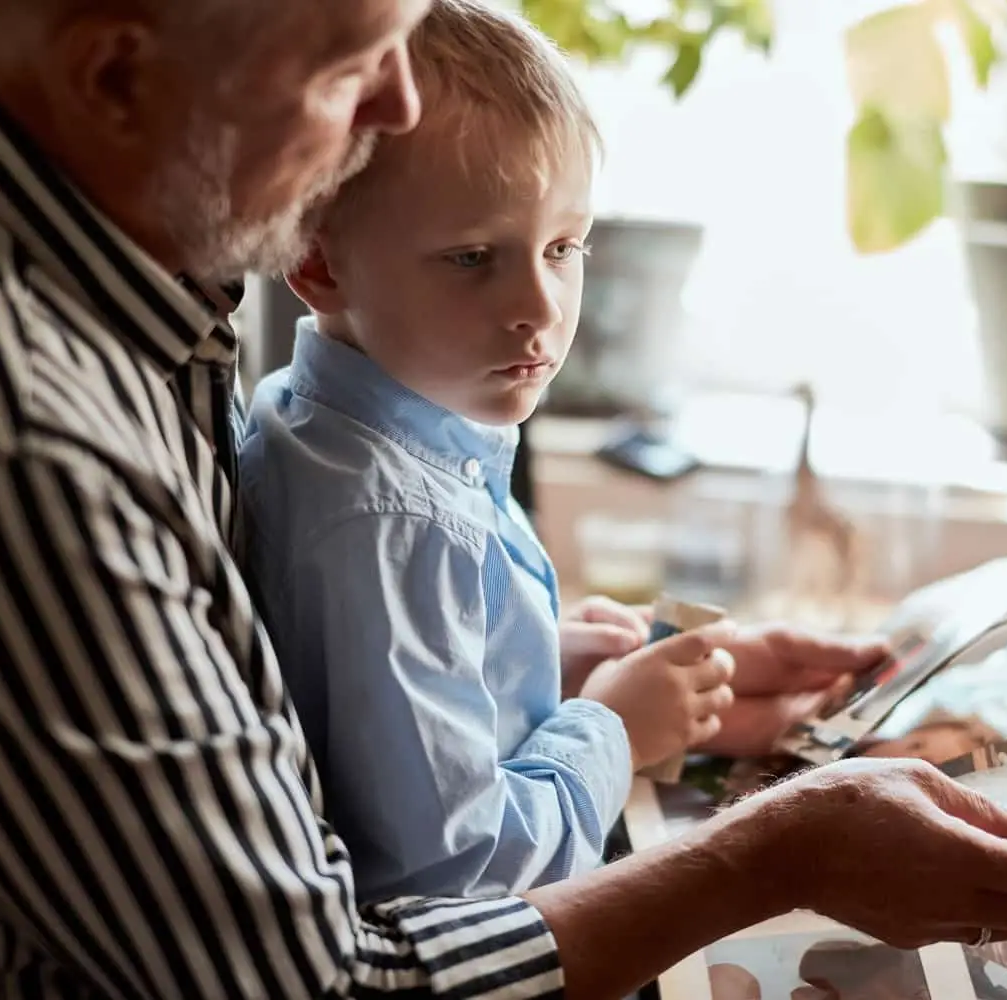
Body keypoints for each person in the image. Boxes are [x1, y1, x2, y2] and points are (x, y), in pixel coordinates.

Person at [0, 0, 1007, 998]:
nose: (398, 111)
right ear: (114, 76)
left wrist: (531, 661)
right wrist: (765, 853)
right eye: (353, 68)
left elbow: (276, 688)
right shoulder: (12, 450)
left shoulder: (144, 291)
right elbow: (322, 981)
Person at [240, 0, 740, 902]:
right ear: (317, 263)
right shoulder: (390, 519)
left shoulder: (326, 419)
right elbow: (457, 868)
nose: (542, 308)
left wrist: (537, 660)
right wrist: (609, 729)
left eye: (562, 246)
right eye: (473, 257)